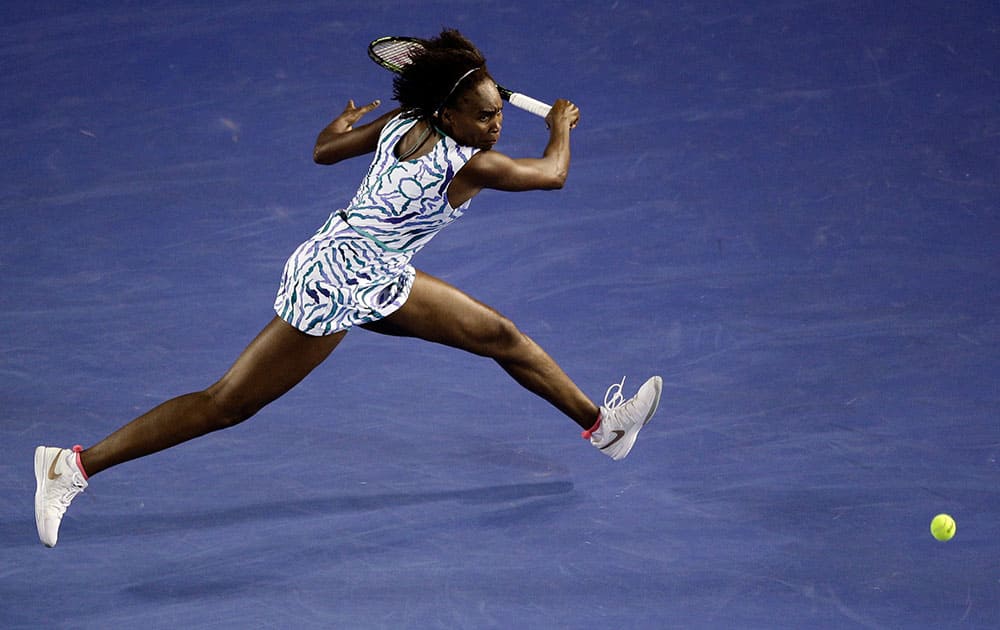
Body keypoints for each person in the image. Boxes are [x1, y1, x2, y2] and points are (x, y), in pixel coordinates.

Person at [33, 29, 662, 548]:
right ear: (446, 114)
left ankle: (602, 426)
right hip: (337, 281)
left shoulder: (400, 122)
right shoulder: (474, 164)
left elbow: (323, 153)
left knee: (502, 337)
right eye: (485, 115)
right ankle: (73, 465)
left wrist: (340, 122)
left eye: (499, 112)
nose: (497, 125)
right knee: (228, 403)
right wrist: (561, 124)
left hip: (379, 274)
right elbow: (553, 176)